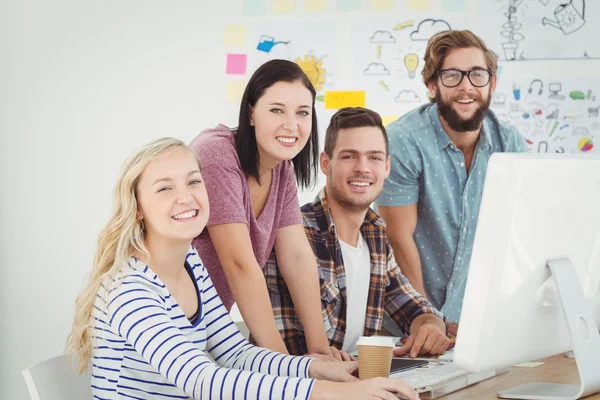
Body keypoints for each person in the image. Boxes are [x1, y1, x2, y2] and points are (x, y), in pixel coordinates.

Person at [66, 138, 421, 400]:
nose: (186, 197)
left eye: (193, 181)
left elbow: (234, 355)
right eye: (164, 189)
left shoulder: (191, 264)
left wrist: (316, 367)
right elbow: (201, 381)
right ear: (138, 207)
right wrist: (333, 393)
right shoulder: (130, 290)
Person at [265, 107, 450, 359]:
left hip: (356, 382)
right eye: (349, 156)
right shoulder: (294, 233)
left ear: (386, 167)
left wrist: (430, 326)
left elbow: (413, 307)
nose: (362, 168)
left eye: (374, 158)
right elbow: (285, 351)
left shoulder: (375, 239)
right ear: (325, 163)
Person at [375, 30, 528, 332]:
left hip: (475, 321)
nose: (466, 87)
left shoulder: (509, 143)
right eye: (452, 76)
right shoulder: (404, 140)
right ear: (432, 85)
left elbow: (517, 236)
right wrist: (427, 319)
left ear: (492, 83)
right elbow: (399, 238)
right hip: (407, 320)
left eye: (477, 75)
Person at [190, 60, 341, 358]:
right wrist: (284, 365)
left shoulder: (281, 169)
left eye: (302, 113)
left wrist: (321, 349)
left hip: (208, 330)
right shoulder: (217, 153)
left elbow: (297, 258)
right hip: (168, 323)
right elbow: (239, 265)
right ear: (250, 114)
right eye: (276, 110)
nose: (291, 124)